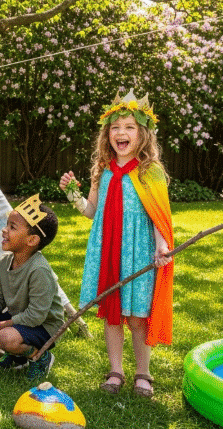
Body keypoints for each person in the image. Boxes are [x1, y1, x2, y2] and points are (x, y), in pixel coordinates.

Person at [59, 89, 174, 398]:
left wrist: (162, 247)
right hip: (108, 251)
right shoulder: (103, 171)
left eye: (129, 127)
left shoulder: (151, 171)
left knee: (137, 316)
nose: (121, 133)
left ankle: (143, 373)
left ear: (143, 134)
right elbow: (91, 212)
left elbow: (159, 217)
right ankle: (115, 371)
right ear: (107, 133)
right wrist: (73, 194)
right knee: (112, 313)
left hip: (138, 252)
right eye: (115, 127)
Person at [0, 197, 64, 379]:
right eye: (7, 225)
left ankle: (40, 356)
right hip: (21, 318)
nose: (4, 230)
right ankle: (16, 357)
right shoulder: (6, 262)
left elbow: (35, 316)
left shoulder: (39, 271)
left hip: (44, 326)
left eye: (12, 227)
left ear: (32, 240)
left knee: (5, 337)